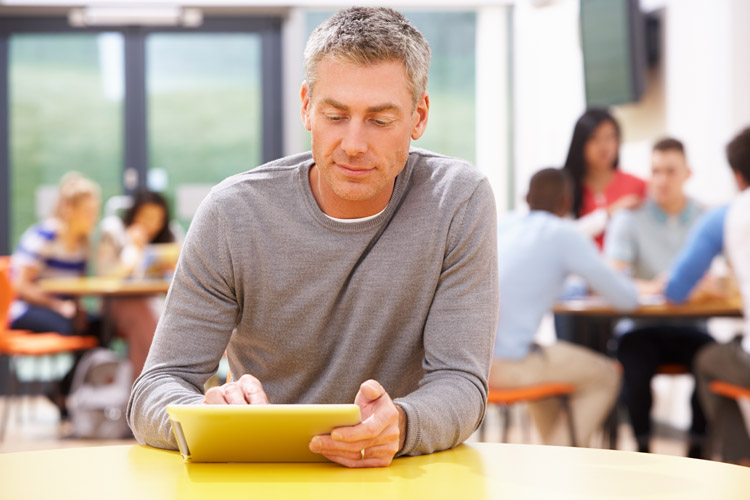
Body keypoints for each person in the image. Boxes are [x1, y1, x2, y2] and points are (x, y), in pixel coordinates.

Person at [126, 7, 499, 468]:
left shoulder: (457, 202)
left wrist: (401, 424)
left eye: (380, 120)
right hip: (262, 469)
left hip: (396, 473)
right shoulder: (233, 214)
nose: (355, 144)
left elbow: (461, 383)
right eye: (336, 115)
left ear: (418, 116)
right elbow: (155, 388)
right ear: (306, 106)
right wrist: (204, 414)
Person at [490, 168, 637, 447]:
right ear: (567, 203)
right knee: (606, 374)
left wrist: (577, 288)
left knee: (545, 377)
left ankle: (553, 460)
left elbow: (534, 281)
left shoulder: (504, 225)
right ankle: (559, 464)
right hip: (509, 364)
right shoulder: (563, 234)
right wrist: (643, 286)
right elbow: (625, 299)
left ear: (526, 198)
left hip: (470, 367)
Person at [604, 137, 712, 457]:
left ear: (687, 174)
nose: (661, 180)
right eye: (655, 171)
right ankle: (642, 447)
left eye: (670, 171)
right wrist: (654, 287)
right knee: (633, 361)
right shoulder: (630, 218)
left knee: (711, 361)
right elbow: (613, 276)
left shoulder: (706, 218)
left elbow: (724, 278)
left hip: (691, 328)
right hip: (641, 328)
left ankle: (698, 450)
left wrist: (704, 286)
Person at [664, 126, 750, 464]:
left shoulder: (726, 216)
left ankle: (740, 464)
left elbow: (675, 289)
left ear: (737, 175)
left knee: (708, 361)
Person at [9, 172, 102, 416]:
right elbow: (21, 286)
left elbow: (75, 289)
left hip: (63, 310)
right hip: (27, 310)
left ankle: (63, 390)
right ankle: (65, 394)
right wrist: (57, 306)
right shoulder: (45, 236)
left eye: (94, 212)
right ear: (68, 208)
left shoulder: (82, 244)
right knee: (73, 327)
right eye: (87, 212)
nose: (93, 218)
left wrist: (77, 309)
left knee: (100, 328)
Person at [97, 190, 177, 377]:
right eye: (146, 217)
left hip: (152, 302)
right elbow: (107, 274)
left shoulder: (168, 236)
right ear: (134, 215)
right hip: (118, 305)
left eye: (157, 218)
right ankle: (146, 387)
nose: (151, 224)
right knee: (147, 318)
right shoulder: (113, 231)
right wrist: (133, 248)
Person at [562, 108, 647, 248]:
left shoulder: (638, 186)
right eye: (594, 138)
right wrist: (609, 213)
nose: (604, 145)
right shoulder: (566, 189)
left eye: (610, 137)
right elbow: (562, 236)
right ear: (580, 142)